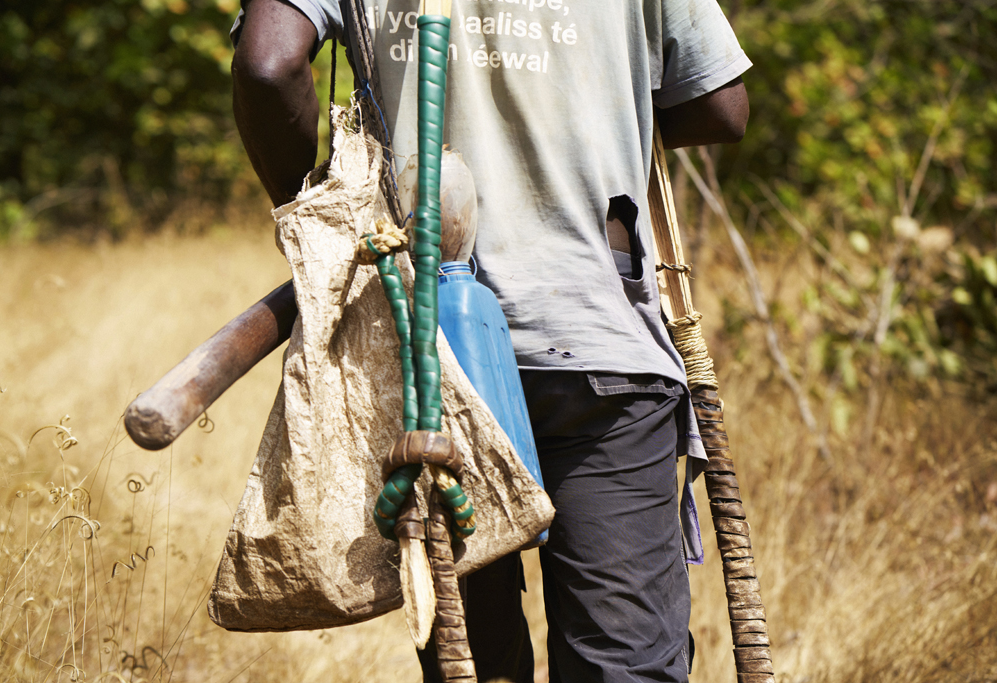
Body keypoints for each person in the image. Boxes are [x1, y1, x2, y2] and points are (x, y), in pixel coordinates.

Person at [230, 1, 751, 681]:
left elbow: (268, 66)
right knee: (623, 664)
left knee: (472, 661)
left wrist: (324, 219)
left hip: (428, 346)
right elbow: (722, 107)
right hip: (601, 335)